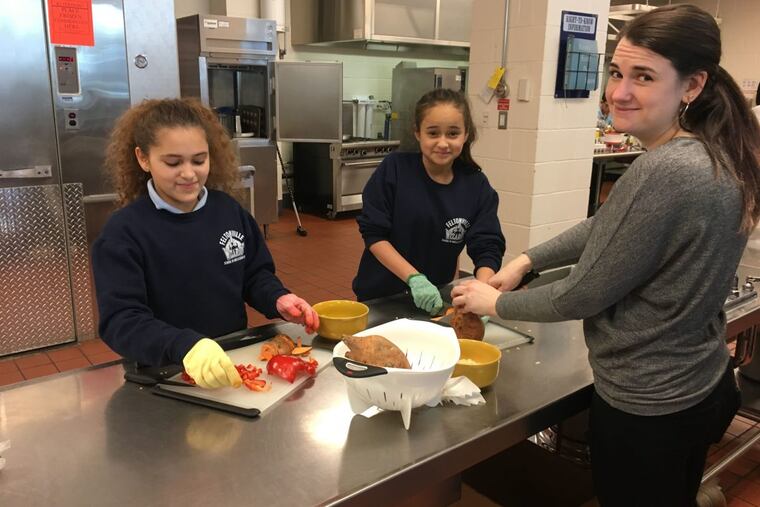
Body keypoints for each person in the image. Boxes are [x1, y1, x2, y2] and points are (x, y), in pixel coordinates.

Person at [452, 5, 760, 506]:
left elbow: (582, 293)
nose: (618, 92)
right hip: (700, 383)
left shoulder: (665, 171)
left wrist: (494, 304)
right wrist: (525, 262)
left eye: (643, 76)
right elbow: (605, 226)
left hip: (648, 404)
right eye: (616, 72)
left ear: (692, 85)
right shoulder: (711, 150)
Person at [92, 98, 319, 389]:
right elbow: (121, 321)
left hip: (229, 362)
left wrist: (277, 298)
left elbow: (253, 274)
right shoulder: (123, 233)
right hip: (165, 374)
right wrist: (185, 345)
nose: (189, 173)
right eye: (173, 162)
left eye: (199, 160)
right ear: (143, 158)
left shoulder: (228, 211)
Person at [352, 88, 505, 314]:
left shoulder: (476, 185)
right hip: (381, 298)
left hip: (436, 300)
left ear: (465, 134)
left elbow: (487, 246)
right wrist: (414, 279)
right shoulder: (395, 170)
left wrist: (481, 294)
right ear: (418, 133)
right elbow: (374, 235)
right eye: (433, 133)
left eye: (453, 134)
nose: (443, 143)